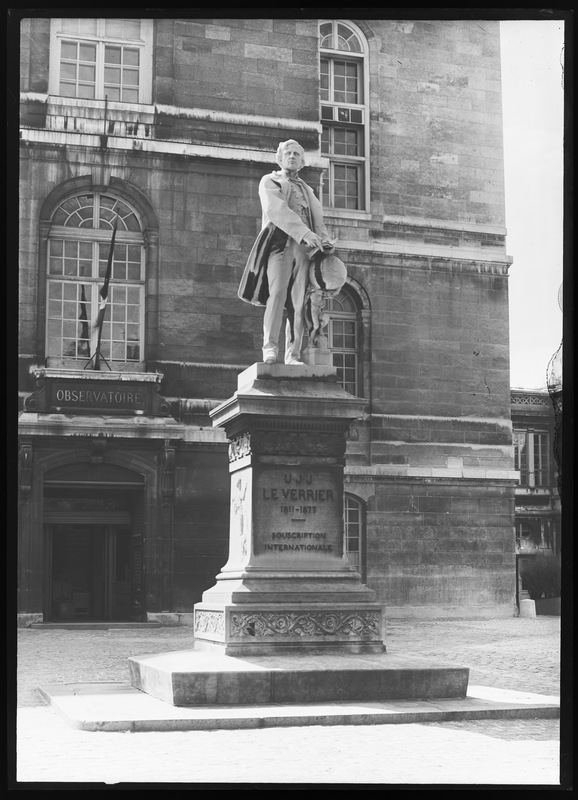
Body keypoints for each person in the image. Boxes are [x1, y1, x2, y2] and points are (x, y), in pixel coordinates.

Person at [238, 140, 336, 365]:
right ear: (280, 159)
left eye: (296, 154)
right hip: (280, 245)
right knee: (277, 294)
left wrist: (324, 241)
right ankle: (270, 348)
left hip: (304, 250)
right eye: (288, 153)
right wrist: (306, 233)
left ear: (302, 162)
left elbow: (317, 223)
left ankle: (292, 354)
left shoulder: (308, 191)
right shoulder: (269, 181)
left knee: (298, 302)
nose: (292, 156)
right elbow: (277, 211)